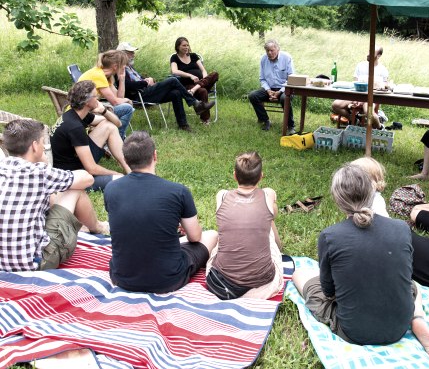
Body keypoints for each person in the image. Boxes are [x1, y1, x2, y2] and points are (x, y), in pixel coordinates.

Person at [292, 165, 429, 366]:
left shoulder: (330, 236)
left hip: (355, 330)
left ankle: (413, 318)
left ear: (338, 200)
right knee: (413, 287)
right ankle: (417, 319)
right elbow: (404, 274)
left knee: (301, 274)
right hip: (398, 326)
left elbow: (328, 290)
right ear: (371, 192)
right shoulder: (401, 228)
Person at [104, 131, 218, 293]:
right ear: (155, 156)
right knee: (212, 234)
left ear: (126, 160)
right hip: (167, 279)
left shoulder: (111, 189)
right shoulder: (178, 191)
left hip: (122, 277)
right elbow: (195, 237)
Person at [0, 119, 108, 272]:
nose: (44, 147)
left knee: (53, 191)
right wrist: (44, 164)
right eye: (42, 142)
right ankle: (97, 227)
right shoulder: (39, 172)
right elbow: (87, 179)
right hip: (35, 263)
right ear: (35, 146)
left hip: (2, 264)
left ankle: (81, 225)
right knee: (75, 190)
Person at [205, 151, 284, 300]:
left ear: (235, 175)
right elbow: (273, 214)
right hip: (261, 283)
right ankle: (279, 248)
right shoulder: (268, 195)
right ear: (261, 176)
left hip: (219, 283)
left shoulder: (221, 195)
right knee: (267, 220)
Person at [50, 80, 131, 191]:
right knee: (120, 179)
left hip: (75, 160)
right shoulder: (75, 127)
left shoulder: (74, 114)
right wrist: (115, 173)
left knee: (108, 126)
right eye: (95, 95)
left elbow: (117, 124)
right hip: (72, 176)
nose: (97, 98)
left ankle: (130, 169)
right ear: (87, 101)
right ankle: (128, 176)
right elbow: (91, 168)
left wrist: (104, 111)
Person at [117, 42, 214, 131]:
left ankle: (183, 125)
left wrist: (150, 79)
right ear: (122, 54)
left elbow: (141, 79)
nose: (133, 54)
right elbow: (128, 86)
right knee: (172, 80)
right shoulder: (119, 69)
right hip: (139, 96)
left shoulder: (130, 67)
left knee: (176, 93)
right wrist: (145, 83)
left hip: (148, 91)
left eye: (133, 52)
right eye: (130, 53)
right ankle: (195, 103)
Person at [78, 50, 134, 139]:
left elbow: (119, 98)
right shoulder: (98, 75)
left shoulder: (104, 75)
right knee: (127, 108)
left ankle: (115, 139)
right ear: (115, 66)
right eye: (124, 64)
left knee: (125, 107)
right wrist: (127, 100)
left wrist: (122, 79)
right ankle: (118, 139)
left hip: (89, 109)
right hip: (85, 113)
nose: (125, 66)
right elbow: (115, 102)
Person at [331, 46, 389, 127]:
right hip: (356, 95)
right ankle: (354, 120)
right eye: (369, 51)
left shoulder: (383, 70)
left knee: (369, 113)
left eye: (372, 52)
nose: (368, 54)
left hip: (371, 98)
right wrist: (356, 98)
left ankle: (380, 128)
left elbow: (385, 87)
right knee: (335, 105)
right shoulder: (360, 65)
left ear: (378, 55)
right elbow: (355, 83)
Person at [248, 39, 296, 134]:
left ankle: (290, 126)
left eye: (272, 50)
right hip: (269, 88)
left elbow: (291, 78)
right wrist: (268, 90)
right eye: (267, 51)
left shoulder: (286, 58)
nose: (269, 53)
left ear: (278, 49)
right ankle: (265, 120)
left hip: (286, 88)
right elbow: (262, 79)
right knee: (253, 95)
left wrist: (280, 91)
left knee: (284, 99)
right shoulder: (263, 59)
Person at [170, 37, 219, 125]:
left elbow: (203, 70)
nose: (186, 47)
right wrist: (190, 75)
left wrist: (204, 79)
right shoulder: (174, 58)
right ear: (178, 47)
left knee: (215, 74)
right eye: (184, 45)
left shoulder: (193, 56)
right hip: (188, 85)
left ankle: (194, 90)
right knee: (203, 91)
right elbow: (174, 71)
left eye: (187, 45)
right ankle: (205, 120)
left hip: (200, 84)